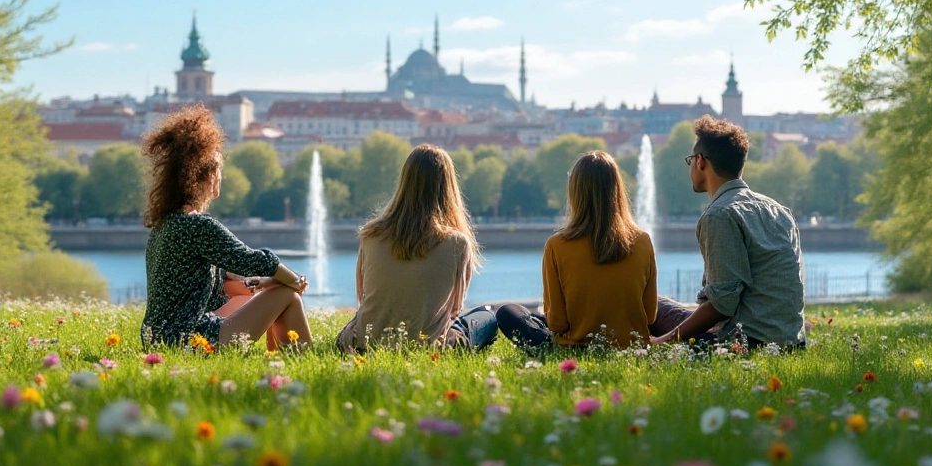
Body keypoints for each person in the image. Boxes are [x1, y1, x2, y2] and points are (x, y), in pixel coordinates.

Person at [139, 106, 312, 350]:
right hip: (187, 339)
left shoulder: (166, 224)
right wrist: (293, 280)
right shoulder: (198, 226)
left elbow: (228, 283)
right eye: (219, 169)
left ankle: (282, 365)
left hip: (157, 338)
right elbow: (249, 259)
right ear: (206, 175)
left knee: (280, 294)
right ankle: (297, 364)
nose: (221, 176)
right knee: (288, 296)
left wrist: (268, 283)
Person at [650, 115, 806, 349]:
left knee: (652, 306)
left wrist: (662, 341)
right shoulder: (780, 210)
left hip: (745, 343)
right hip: (791, 343)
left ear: (700, 161)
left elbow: (722, 304)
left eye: (690, 160)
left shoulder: (719, 215)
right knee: (666, 307)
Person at [336, 145, 497, 353]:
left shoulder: (371, 236)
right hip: (429, 347)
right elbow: (455, 310)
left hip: (364, 343)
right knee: (486, 317)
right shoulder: (457, 243)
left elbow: (363, 296)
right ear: (448, 186)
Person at [495, 151, 657, 351]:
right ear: (617, 190)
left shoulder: (557, 245)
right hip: (631, 346)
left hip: (575, 347)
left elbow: (557, 324)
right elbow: (650, 316)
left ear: (575, 192)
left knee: (507, 313)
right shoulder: (642, 241)